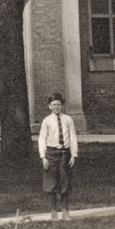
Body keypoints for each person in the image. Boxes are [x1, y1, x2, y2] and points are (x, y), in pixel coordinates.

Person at [38, 91, 78, 219]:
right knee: (51, 182)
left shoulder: (68, 119)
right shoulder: (47, 121)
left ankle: (65, 210)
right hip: (51, 153)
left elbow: (72, 137)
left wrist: (73, 154)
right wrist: (43, 156)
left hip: (64, 153)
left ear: (62, 106)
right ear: (49, 106)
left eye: (59, 105)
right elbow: (42, 138)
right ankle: (53, 210)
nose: (56, 107)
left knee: (65, 180)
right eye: (54, 105)